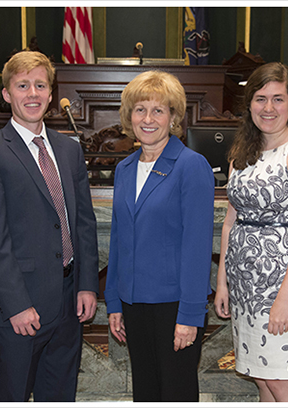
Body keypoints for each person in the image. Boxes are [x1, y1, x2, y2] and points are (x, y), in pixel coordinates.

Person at [0, 50, 98, 402]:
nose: (33, 94)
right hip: (24, 306)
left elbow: (83, 221)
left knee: (60, 394)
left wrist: (86, 285)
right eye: (23, 85)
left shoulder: (69, 150)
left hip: (70, 302)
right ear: (7, 93)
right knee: (14, 393)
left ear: (51, 94)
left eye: (40, 85)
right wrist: (16, 305)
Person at [213, 62, 288, 402]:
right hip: (245, 286)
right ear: (249, 104)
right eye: (261, 99)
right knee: (262, 379)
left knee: (282, 381)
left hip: (281, 287)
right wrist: (222, 282)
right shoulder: (242, 153)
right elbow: (231, 221)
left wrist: (283, 299)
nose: (269, 108)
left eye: (278, 99)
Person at [104, 70, 215, 402]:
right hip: (133, 303)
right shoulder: (124, 169)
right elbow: (118, 240)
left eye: (158, 110)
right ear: (129, 116)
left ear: (173, 117)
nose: (148, 119)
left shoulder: (191, 166)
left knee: (176, 394)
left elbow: (197, 247)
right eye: (140, 109)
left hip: (174, 306)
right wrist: (113, 302)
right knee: (146, 393)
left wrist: (191, 315)